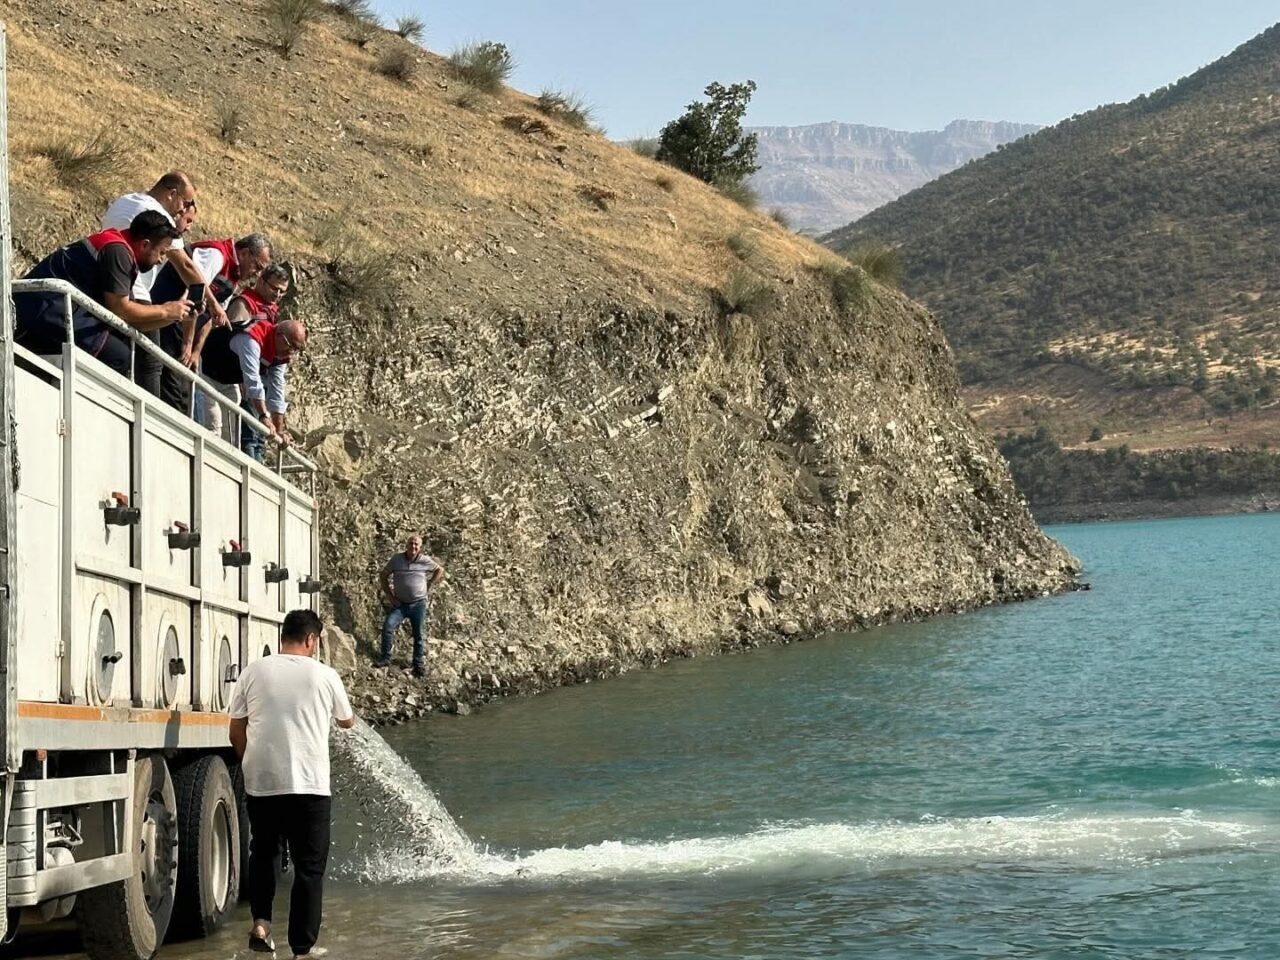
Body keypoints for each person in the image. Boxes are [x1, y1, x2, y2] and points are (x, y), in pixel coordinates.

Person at [228, 609, 355, 959]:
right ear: (312, 639)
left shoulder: (254, 671)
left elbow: (236, 729)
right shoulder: (324, 674)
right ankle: (301, 950)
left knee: (264, 851)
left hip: (263, 783)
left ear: (282, 636)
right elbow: (346, 722)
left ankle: (261, 923)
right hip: (310, 786)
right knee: (309, 868)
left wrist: (251, 763)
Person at [15, 211, 189, 375]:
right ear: (145, 244)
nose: (160, 260)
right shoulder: (117, 251)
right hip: (46, 309)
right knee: (119, 356)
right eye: (162, 253)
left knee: (122, 348)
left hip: (49, 308)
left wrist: (174, 316)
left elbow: (133, 321)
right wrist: (165, 310)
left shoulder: (119, 247)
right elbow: (120, 309)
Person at [102, 173, 230, 394]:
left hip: (106, 280)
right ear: (172, 194)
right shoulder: (160, 217)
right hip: (135, 291)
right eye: (185, 203)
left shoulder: (125, 200)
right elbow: (185, 266)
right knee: (151, 364)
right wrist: (213, 304)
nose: (182, 210)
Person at [147, 233, 274, 412]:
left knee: (186, 392)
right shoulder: (216, 255)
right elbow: (194, 294)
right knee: (172, 386)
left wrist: (196, 352)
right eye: (257, 266)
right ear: (245, 253)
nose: (257, 274)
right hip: (166, 316)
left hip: (184, 327)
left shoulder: (234, 278)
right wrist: (187, 344)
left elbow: (211, 318)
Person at [198, 263, 290, 444]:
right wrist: (263, 413)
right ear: (261, 281)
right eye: (275, 288)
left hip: (231, 378)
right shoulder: (244, 304)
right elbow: (233, 340)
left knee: (233, 433)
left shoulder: (271, 312)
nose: (278, 295)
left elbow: (277, 380)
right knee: (213, 425)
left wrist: (279, 427)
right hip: (209, 367)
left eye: (282, 292)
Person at [231, 317, 306, 462]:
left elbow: (277, 389)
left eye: (296, 349)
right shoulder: (252, 339)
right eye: (290, 346)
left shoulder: (281, 353)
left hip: (235, 381)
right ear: (279, 335)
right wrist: (264, 416)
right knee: (246, 433)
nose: (291, 352)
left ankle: (255, 466)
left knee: (258, 436)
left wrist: (279, 430)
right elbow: (252, 381)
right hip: (214, 371)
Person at [376, 535, 445, 677]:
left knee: (419, 634)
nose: (413, 546)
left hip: (418, 604)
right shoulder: (396, 559)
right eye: (411, 543)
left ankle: (418, 664)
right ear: (406, 545)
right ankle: (385, 658)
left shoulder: (424, 560)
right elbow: (383, 575)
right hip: (400, 604)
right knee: (388, 627)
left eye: (416, 544)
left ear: (420, 547)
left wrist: (430, 584)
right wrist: (390, 596)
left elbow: (439, 570)